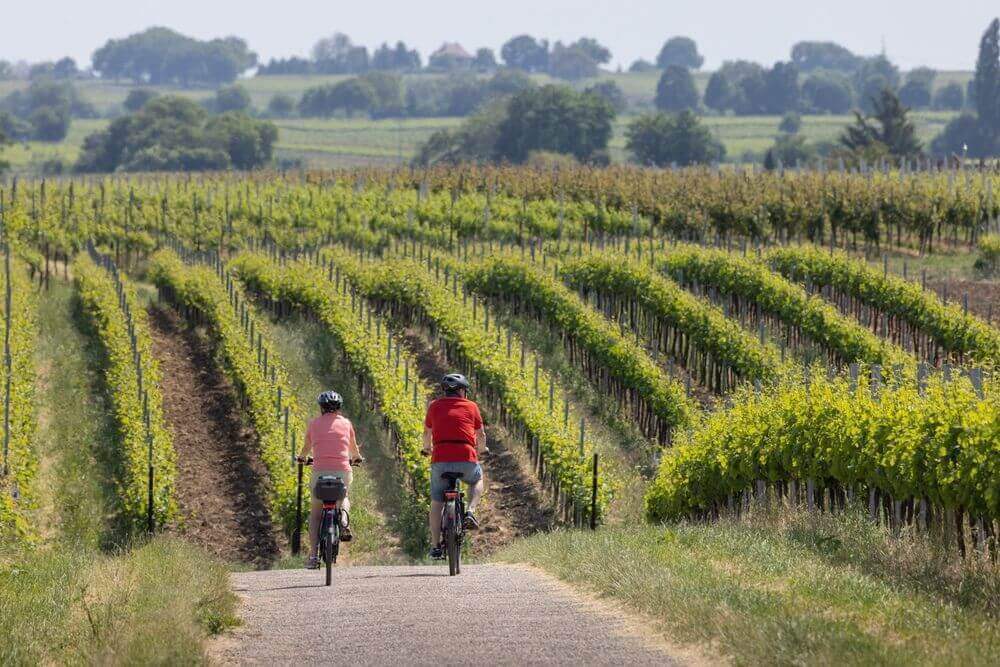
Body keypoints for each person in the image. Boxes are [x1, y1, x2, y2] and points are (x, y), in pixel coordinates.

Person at [422, 373, 487, 560]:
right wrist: (483, 449)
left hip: (440, 458)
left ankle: (435, 546)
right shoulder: (471, 406)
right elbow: (480, 434)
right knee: (477, 479)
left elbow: (427, 433)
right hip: (466, 456)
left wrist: (427, 449)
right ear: (461, 391)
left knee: (436, 503)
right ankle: (471, 512)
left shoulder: (434, 406)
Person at [297, 390, 363, 570]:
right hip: (342, 472)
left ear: (321, 407)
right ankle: (342, 520)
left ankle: (312, 556)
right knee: (344, 497)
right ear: (339, 408)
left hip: (319, 473)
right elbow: (354, 450)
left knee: (316, 514)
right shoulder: (346, 424)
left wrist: (302, 458)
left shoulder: (313, 424)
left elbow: (305, 448)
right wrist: (356, 458)